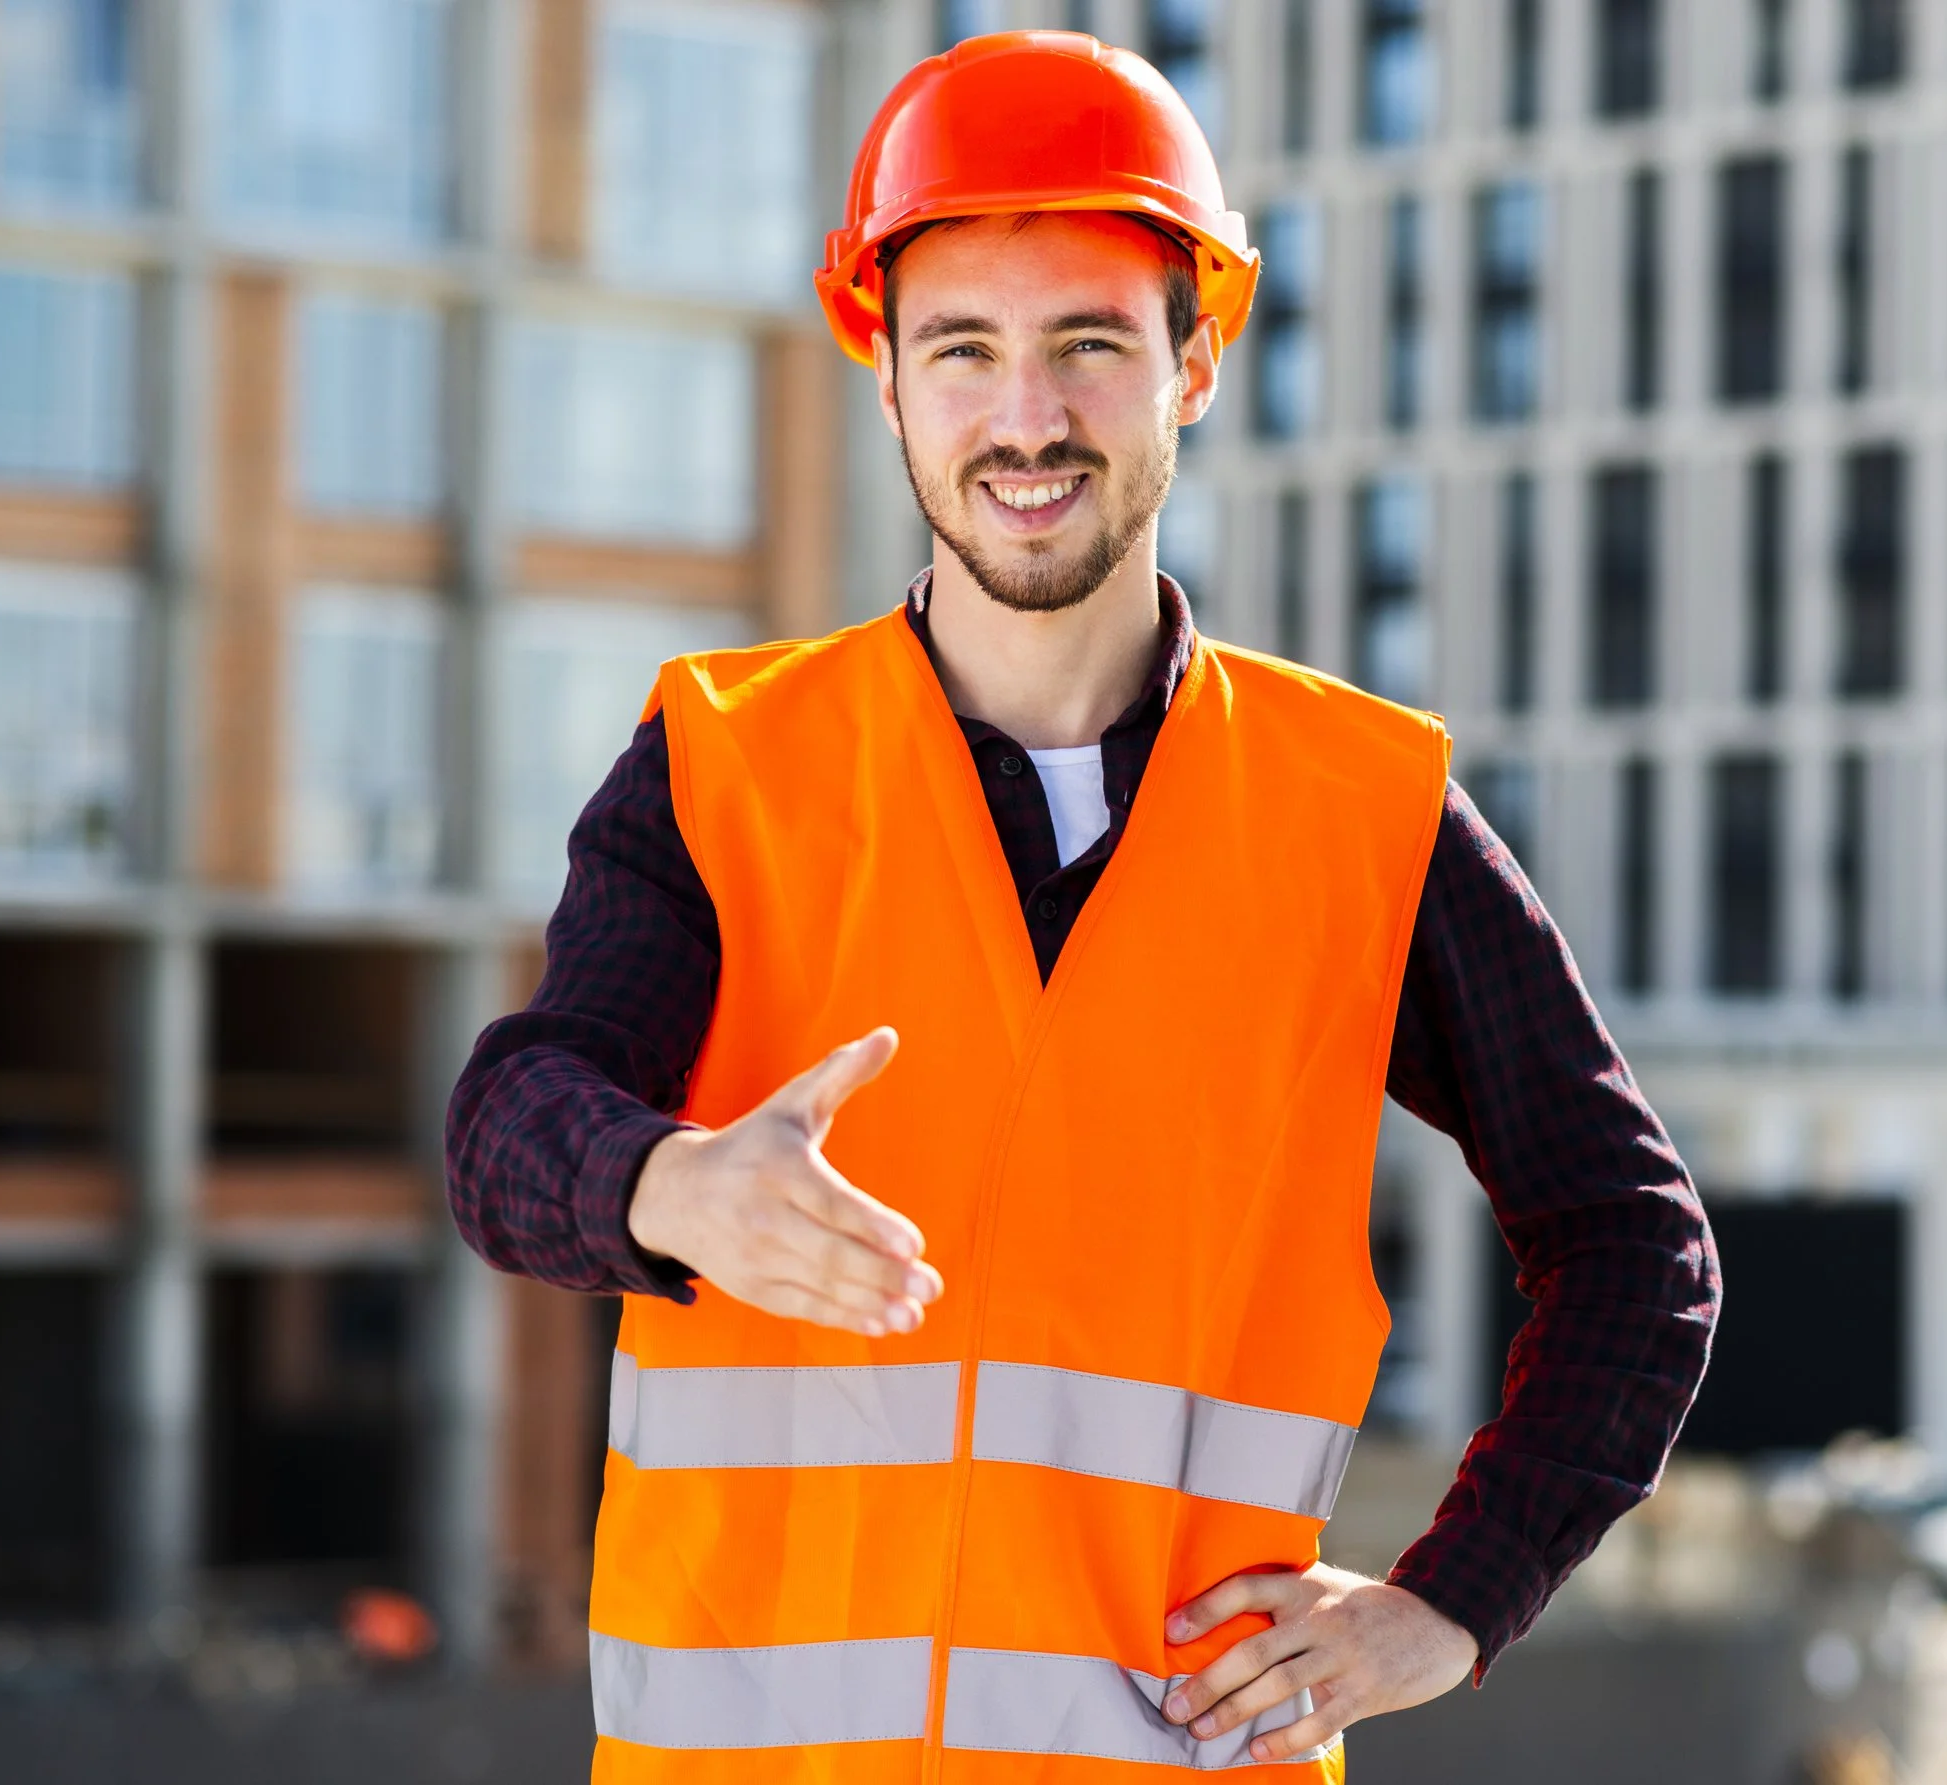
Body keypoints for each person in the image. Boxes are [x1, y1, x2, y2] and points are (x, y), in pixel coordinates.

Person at [448, 30, 1718, 1779]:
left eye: (1090, 348)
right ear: (884, 375)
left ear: (1196, 363)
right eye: (963, 349)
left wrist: (1453, 1605)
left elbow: (1638, 1247)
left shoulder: (1365, 809)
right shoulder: (721, 762)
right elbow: (506, 1128)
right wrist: (669, 1187)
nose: (1026, 418)